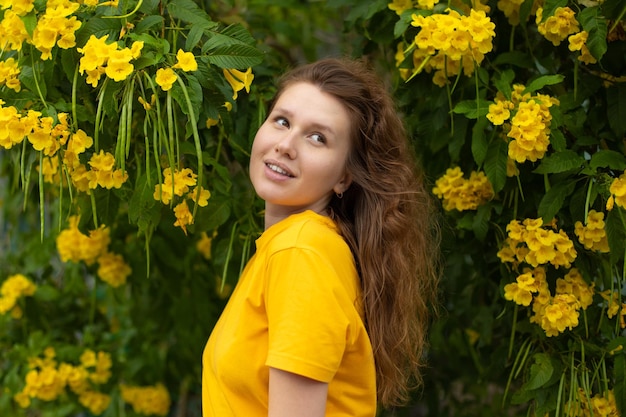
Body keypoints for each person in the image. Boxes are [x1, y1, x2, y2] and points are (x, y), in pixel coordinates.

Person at [202, 57, 440, 417]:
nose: (286, 144)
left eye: (317, 138)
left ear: (344, 177)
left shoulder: (302, 252)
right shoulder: (299, 247)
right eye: (282, 121)